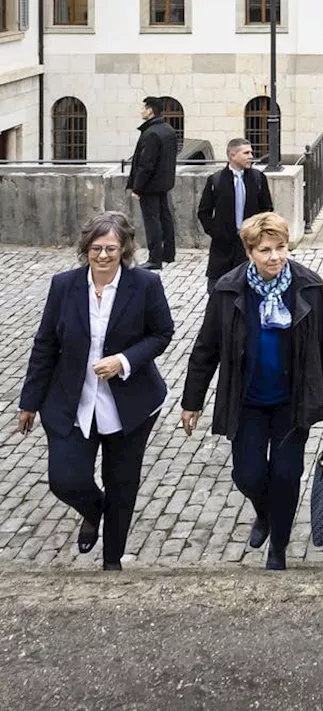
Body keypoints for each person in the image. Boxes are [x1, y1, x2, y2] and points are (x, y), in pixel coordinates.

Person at [180, 212, 323, 571]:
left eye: (281, 248)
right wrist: (192, 401)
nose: (275, 257)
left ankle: (279, 549)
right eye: (265, 250)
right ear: (250, 251)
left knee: (286, 476)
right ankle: (265, 513)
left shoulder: (309, 287)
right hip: (248, 400)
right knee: (248, 475)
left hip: (292, 400)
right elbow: (206, 348)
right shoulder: (228, 290)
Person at [17, 212, 174, 571]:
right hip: (73, 401)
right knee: (65, 479)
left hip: (131, 404)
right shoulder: (63, 286)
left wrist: (123, 360)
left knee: (122, 483)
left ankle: (112, 563)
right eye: (96, 248)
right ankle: (93, 510)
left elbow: (162, 333)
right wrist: (29, 403)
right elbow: (45, 345)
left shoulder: (145, 285)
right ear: (85, 249)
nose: (103, 256)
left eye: (111, 249)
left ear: (125, 250)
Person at [197, 138, 274, 294]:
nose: (251, 156)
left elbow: (267, 209)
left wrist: (258, 233)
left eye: (251, 152)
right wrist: (216, 232)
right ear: (232, 155)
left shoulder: (258, 178)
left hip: (250, 244)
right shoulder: (216, 180)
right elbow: (204, 211)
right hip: (223, 246)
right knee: (217, 290)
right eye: (246, 153)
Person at [126, 96, 179, 270]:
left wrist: (137, 187)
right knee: (165, 218)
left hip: (150, 186)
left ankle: (155, 258)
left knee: (152, 222)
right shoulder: (168, 130)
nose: (141, 111)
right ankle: (168, 253)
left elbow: (145, 164)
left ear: (150, 110)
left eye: (143, 108)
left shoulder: (151, 133)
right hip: (164, 183)